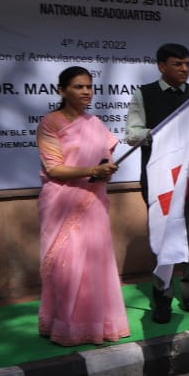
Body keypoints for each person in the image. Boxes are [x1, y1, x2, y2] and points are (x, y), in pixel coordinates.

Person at [125, 42, 189, 322]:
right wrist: (165, 134)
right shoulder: (143, 95)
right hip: (160, 179)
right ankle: (162, 298)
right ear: (161, 66)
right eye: (177, 64)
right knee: (163, 233)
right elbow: (132, 134)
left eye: (187, 64)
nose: (184, 69)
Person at [37, 66, 129, 346]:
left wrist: (105, 171)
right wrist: (93, 169)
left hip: (93, 201)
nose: (86, 92)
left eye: (89, 86)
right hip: (61, 202)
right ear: (61, 90)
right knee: (66, 266)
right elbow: (53, 169)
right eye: (78, 87)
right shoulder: (50, 123)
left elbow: (103, 163)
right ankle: (63, 326)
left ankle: (97, 325)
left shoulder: (96, 124)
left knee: (94, 263)